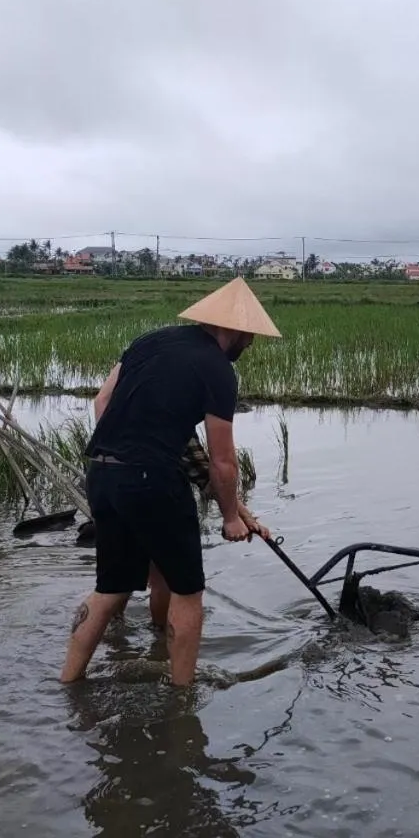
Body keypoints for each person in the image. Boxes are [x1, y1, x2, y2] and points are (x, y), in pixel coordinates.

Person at [59, 277, 282, 686]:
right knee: (189, 593)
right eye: (248, 338)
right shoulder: (217, 369)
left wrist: (242, 511)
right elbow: (222, 460)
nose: (248, 346)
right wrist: (230, 520)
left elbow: (102, 402)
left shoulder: (150, 342)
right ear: (233, 330)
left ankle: (68, 682)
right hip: (152, 481)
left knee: (109, 592)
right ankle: (182, 701)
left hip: (103, 473)